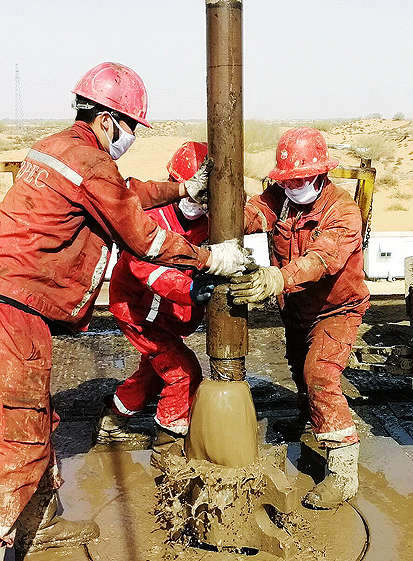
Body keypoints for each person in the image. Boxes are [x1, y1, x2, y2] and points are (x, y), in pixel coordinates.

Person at [0, 62, 252, 559]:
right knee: (21, 431)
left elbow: (126, 191)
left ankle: (38, 522)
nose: (132, 136)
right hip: (15, 309)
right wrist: (210, 260)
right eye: (131, 127)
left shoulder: (58, 149)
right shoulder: (89, 163)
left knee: (35, 418)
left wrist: (182, 190)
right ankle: (12, 532)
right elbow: (145, 240)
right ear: (108, 119)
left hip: (17, 300)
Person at [230, 127, 370, 510]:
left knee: (319, 374)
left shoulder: (342, 211)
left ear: (321, 173)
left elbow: (322, 259)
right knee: (298, 366)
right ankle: (310, 417)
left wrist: (275, 278)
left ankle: (343, 472)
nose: (293, 186)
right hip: (296, 306)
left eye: (300, 179)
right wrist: (221, 206)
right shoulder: (281, 197)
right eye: (287, 180)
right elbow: (252, 215)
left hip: (336, 309)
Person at [94, 141, 214, 467]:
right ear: (176, 183)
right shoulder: (148, 218)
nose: (198, 203)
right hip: (137, 310)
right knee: (182, 372)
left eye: (205, 196)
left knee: (154, 370)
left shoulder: (207, 222)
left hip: (169, 313)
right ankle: (167, 450)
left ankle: (111, 422)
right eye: (193, 193)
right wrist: (190, 290)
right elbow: (147, 269)